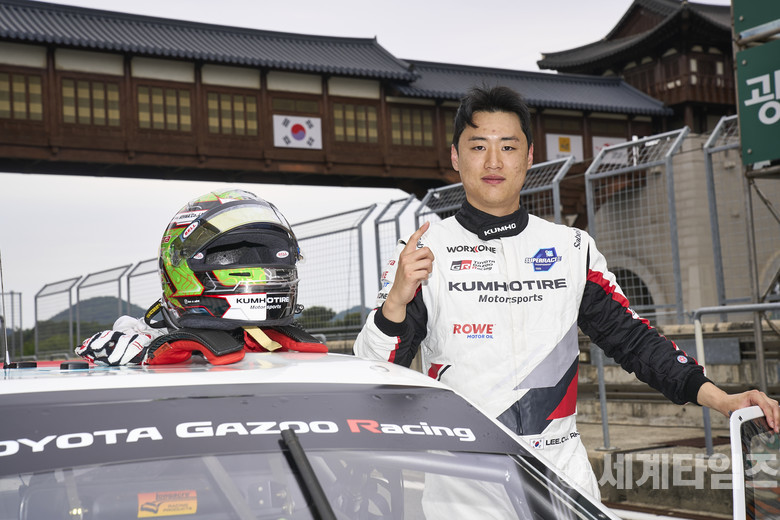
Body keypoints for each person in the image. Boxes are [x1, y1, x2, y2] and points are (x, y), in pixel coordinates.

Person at [353, 85, 780, 497]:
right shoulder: (423, 252)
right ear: (455, 157)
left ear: (529, 156)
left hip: (561, 480)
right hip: (465, 487)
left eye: (508, 146)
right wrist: (395, 303)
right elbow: (373, 373)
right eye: (478, 146)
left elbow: (632, 340)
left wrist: (721, 398)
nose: (494, 161)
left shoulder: (571, 248)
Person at [76, 189, 326, 366]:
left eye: (259, 256)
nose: (264, 270)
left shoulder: (285, 345)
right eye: (230, 257)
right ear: (179, 262)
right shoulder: (145, 337)